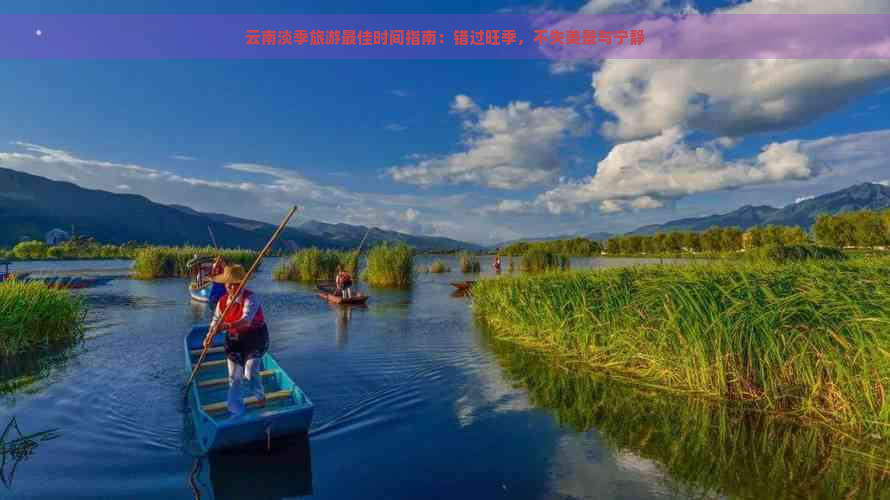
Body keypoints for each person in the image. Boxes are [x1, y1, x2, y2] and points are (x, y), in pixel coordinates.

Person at [206, 265, 269, 416]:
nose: (231, 287)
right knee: (234, 378)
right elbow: (215, 321)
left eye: (235, 284)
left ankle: (259, 394)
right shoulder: (222, 302)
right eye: (228, 284)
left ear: (242, 283)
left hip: (254, 338)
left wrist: (226, 325)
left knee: (251, 370)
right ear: (225, 284)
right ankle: (236, 411)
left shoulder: (251, 298)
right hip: (234, 340)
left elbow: (246, 320)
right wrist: (208, 336)